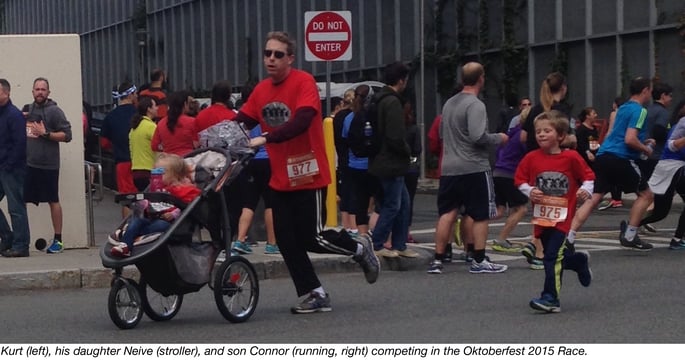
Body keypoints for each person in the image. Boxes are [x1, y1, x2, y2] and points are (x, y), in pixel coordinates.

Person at [233, 31, 380, 314]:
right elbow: (241, 120)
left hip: (307, 174)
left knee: (312, 237)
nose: (271, 59)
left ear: (290, 58)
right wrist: (214, 138)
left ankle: (360, 248)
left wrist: (268, 137)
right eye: (267, 54)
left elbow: (302, 120)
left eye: (278, 54)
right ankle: (315, 293)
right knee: (287, 242)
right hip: (279, 179)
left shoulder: (304, 83)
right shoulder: (261, 91)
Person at [427, 62, 509, 274]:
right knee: (480, 213)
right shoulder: (476, 105)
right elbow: (477, 136)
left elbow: (443, 135)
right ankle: (479, 259)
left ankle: (437, 259)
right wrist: (498, 138)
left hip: (449, 167)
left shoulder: (449, 104)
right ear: (481, 78)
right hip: (473, 166)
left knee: (447, 212)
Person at [514, 110, 595, 313]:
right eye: (538, 131)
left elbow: (588, 176)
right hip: (543, 218)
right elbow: (519, 180)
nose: (541, 135)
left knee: (551, 257)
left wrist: (585, 190)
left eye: (546, 131)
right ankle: (578, 261)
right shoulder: (531, 158)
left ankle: (550, 298)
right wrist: (530, 190)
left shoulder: (571, 157)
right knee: (555, 257)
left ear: (560, 135)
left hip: (563, 219)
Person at [569, 77, 655, 251]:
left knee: (595, 197)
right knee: (646, 195)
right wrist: (646, 149)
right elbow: (629, 139)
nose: (650, 94)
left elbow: (615, 134)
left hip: (604, 155)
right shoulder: (641, 111)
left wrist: (642, 140)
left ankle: (569, 236)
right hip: (621, 157)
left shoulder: (621, 108)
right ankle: (630, 235)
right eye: (650, 91)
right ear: (645, 90)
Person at [519, 72, 574, 269]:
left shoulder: (536, 110)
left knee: (542, 206)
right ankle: (539, 250)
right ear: (564, 88)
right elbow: (565, 138)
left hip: (535, 162)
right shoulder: (560, 110)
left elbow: (523, 137)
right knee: (555, 207)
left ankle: (536, 245)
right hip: (555, 162)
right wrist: (572, 141)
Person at [368, 61, 418, 258]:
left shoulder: (378, 100)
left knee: (403, 203)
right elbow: (395, 136)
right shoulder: (393, 102)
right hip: (392, 162)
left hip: (379, 159)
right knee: (393, 204)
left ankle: (400, 244)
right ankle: (378, 243)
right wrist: (408, 152)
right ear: (401, 80)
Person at [110, 153, 201, 257]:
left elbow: (189, 205)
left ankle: (128, 235)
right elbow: (147, 203)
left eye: (162, 172)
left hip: (170, 222)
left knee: (161, 225)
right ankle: (125, 246)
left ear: (176, 175)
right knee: (137, 219)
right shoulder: (156, 188)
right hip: (150, 217)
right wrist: (142, 204)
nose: (157, 175)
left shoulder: (183, 189)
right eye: (154, 171)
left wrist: (174, 213)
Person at [23, 77, 72, 254]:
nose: (40, 92)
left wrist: (46, 134)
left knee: (53, 200)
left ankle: (58, 240)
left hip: (49, 165)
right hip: (29, 164)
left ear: (48, 92)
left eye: (43, 89)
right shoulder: (27, 110)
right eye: (37, 89)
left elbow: (67, 135)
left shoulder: (55, 111)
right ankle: (21, 240)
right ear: (32, 91)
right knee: (21, 200)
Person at [194, 80, 241, 248]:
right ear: (228, 96)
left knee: (212, 206)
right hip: (229, 168)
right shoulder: (231, 116)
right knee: (231, 206)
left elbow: (196, 143)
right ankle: (228, 239)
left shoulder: (200, 117)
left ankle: (215, 239)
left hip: (207, 167)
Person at [639, 99, 685, 249]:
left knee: (661, 212)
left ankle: (631, 225)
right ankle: (677, 240)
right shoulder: (683, 122)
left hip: (674, 168)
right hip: (673, 167)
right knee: (660, 210)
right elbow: (671, 145)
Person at [232, 123, 280, 255]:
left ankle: (240, 240)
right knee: (270, 203)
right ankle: (272, 243)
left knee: (248, 203)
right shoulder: (270, 118)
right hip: (268, 160)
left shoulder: (249, 120)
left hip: (250, 160)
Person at [490, 106, 531, 254]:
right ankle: (501, 240)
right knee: (521, 208)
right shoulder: (524, 136)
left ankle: (470, 220)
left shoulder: (512, 133)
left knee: (499, 210)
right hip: (510, 173)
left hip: (499, 171)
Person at [341, 85, 378, 238]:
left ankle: (362, 235)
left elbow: (345, 139)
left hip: (353, 164)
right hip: (370, 163)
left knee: (359, 202)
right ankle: (375, 232)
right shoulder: (373, 116)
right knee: (376, 201)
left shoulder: (349, 118)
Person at [0, 79, 31, 258]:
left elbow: (20, 144)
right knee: (15, 206)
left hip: (12, 169)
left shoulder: (14, 115)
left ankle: (21, 245)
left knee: (16, 207)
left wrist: (9, 164)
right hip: (2, 167)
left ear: (6, 93)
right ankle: (7, 237)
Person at [100, 81, 137, 216]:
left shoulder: (110, 117)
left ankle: (127, 229)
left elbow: (104, 143)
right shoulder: (139, 113)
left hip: (122, 161)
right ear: (131, 95)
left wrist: (115, 147)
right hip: (142, 161)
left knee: (127, 199)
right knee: (144, 197)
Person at [332, 89, 357, 234]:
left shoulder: (337, 117)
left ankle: (346, 224)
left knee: (344, 192)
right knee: (355, 193)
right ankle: (354, 226)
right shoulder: (353, 117)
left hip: (341, 157)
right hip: (353, 157)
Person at [597, 96, 627, 210]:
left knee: (610, 173)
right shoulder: (626, 114)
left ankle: (612, 197)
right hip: (623, 145)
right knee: (618, 173)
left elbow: (610, 130)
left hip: (612, 145)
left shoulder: (614, 113)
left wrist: (603, 143)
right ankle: (617, 198)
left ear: (615, 104)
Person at [151, 90, 199, 156]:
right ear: (185, 104)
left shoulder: (161, 123)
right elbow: (197, 143)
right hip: (188, 158)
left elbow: (154, 146)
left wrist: (166, 147)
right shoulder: (192, 121)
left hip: (169, 160)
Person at [129, 96, 159, 191]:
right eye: (155, 106)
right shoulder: (151, 126)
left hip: (135, 170)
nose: (157, 108)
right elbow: (161, 146)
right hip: (149, 170)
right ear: (149, 109)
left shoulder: (134, 128)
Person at [404, 100, 422, 244]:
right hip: (411, 167)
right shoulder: (414, 128)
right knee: (409, 200)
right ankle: (406, 232)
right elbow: (417, 149)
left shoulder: (396, 127)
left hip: (397, 167)